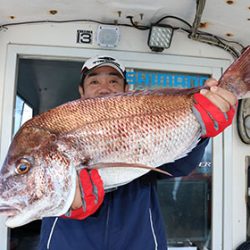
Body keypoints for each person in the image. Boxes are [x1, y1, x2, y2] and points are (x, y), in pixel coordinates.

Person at [38, 55, 237, 250]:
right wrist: (65, 206)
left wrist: (201, 132)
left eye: (113, 81)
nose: (104, 88)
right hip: (67, 241)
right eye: (94, 81)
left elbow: (180, 166)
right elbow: (37, 186)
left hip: (139, 241)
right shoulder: (59, 129)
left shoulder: (144, 127)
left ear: (126, 90)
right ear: (82, 91)